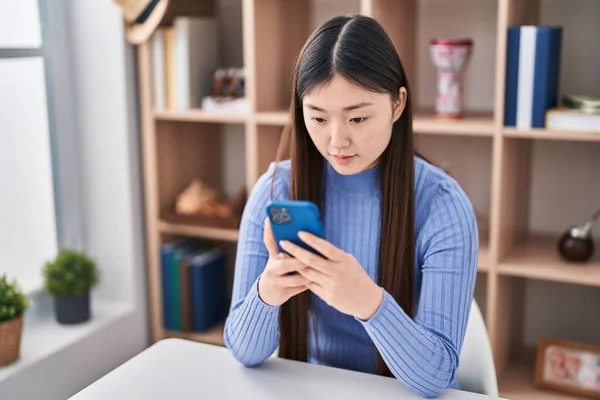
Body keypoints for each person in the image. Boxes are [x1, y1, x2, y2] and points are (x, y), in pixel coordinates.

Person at [223, 14, 478, 399]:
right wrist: (267, 293)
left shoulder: (443, 206)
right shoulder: (274, 190)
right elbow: (243, 353)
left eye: (357, 117)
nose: (337, 140)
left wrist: (369, 303)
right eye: (318, 118)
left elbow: (436, 376)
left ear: (397, 104)